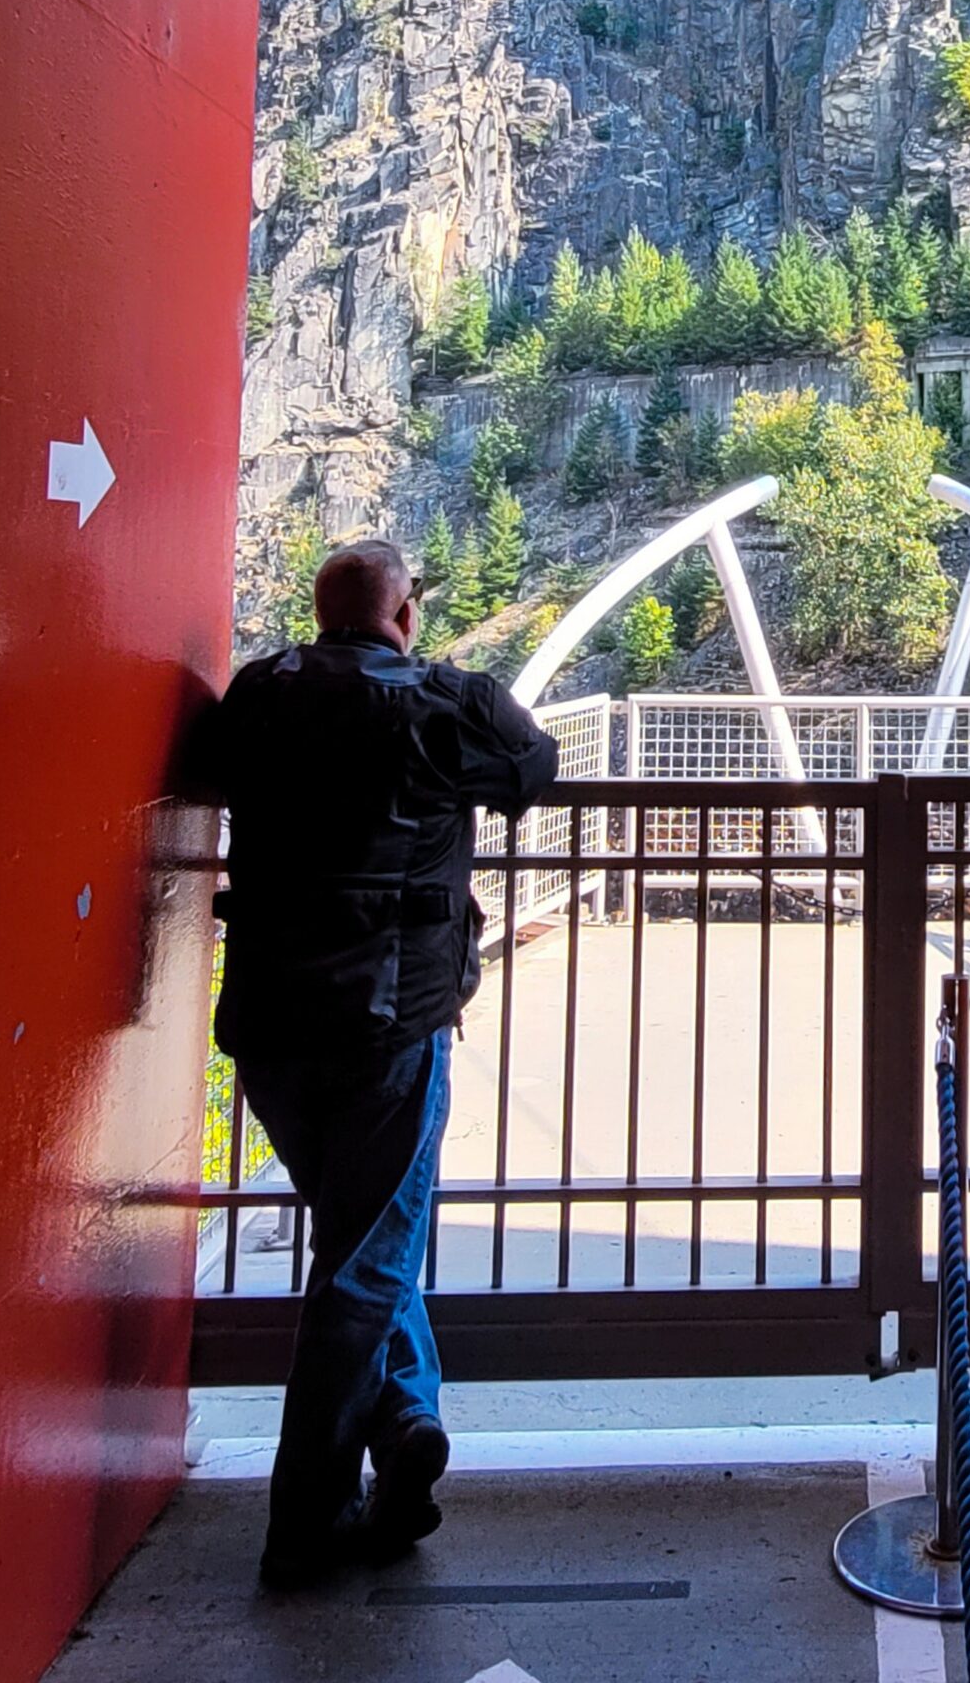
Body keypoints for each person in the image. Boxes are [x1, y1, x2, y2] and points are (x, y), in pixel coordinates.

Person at [192, 537, 563, 1587]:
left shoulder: (264, 692)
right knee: (363, 1265)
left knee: (358, 1241)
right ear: (402, 616)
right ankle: (306, 1516)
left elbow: (206, 762)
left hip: (268, 1024)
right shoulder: (444, 703)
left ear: (321, 613)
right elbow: (532, 769)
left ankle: (403, 1425)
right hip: (388, 1026)